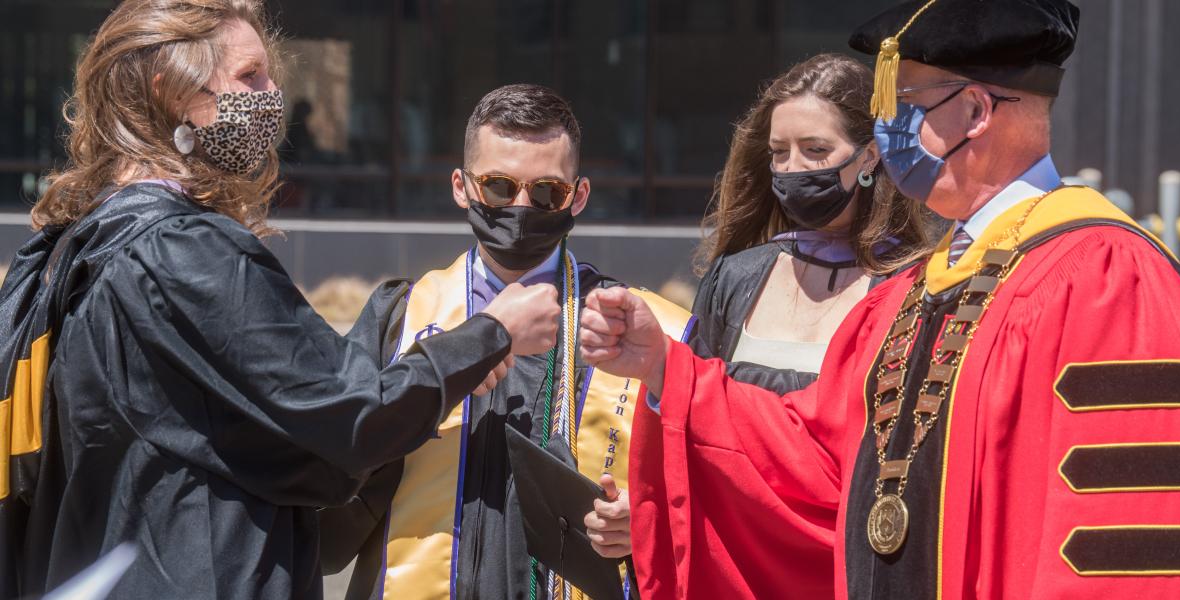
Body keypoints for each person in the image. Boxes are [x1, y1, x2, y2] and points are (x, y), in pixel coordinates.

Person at [580, 1, 1180, 598]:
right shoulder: (914, 293)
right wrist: (668, 369)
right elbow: (817, 461)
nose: (885, 127)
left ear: (975, 112)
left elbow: (1129, 558)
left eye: (906, 103)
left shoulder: (1106, 278)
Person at [0, 2, 560, 598]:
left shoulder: (72, 248)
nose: (273, 95)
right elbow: (347, 414)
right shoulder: (187, 249)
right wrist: (490, 333)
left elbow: (264, 434)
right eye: (250, 77)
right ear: (168, 93)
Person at [317, 84, 694, 600]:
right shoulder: (401, 321)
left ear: (577, 197)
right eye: (498, 187)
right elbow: (325, 482)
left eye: (545, 193)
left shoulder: (641, 331)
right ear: (461, 187)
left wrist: (649, 521)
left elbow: (711, 498)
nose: (520, 206)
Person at [690, 53, 930, 397]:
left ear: (870, 156)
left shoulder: (913, 285)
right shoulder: (733, 276)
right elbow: (691, 403)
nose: (792, 168)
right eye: (779, 151)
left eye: (815, 149)